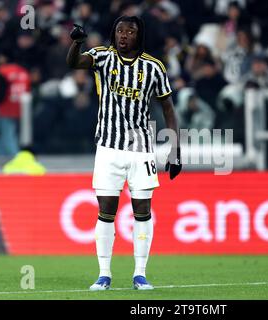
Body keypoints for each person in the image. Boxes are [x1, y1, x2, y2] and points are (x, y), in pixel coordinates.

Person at [66, 16, 182, 291]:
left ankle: (140, 274)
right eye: (119, 30)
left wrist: (175, 149)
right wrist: (77, 43)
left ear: (138, 36)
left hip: (140, 148)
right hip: (107, 147)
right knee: (106, 211)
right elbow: (74, 63)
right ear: (113, 33)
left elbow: (168, 108)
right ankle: (103, 274)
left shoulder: (153, 67)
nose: (123, 35)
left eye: (130, 31)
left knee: (142, 210)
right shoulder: (102, 57)